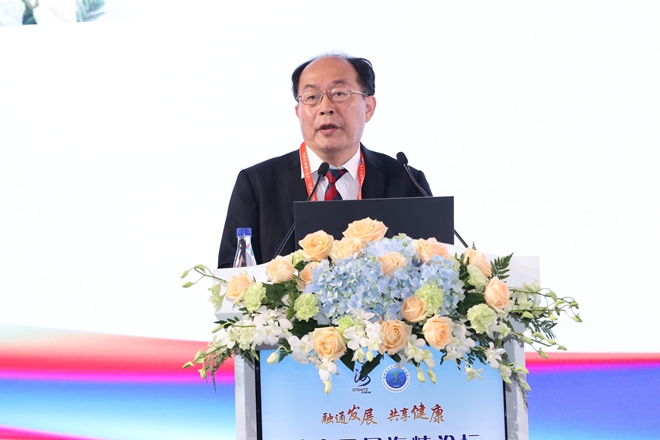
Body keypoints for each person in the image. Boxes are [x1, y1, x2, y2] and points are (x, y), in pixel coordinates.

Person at [217, 54, 432, 268]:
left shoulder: (408, 183)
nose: (325, 107)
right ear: (298, 112)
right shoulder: (257, 185)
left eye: (339, 93)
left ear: (368, 107)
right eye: (312, 97)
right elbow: (231, 274)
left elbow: (437, 267)